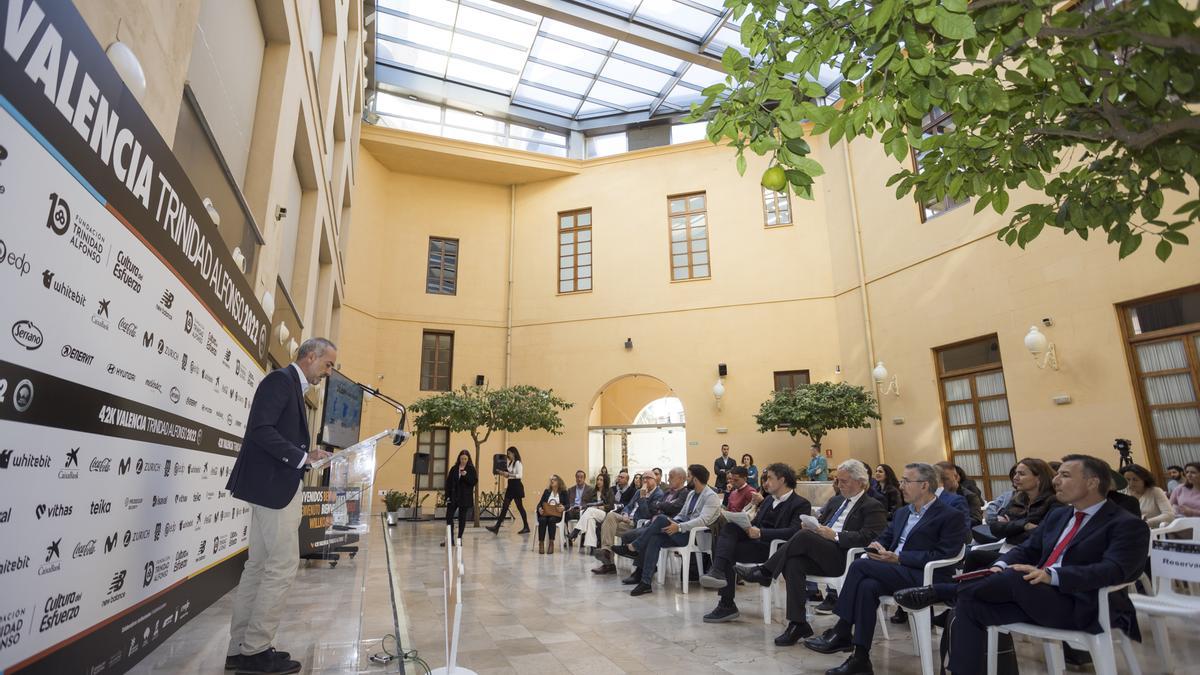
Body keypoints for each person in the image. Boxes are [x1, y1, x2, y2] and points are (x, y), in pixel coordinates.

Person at [895, 455, 1151, 675]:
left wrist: (1052, 575)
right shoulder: (1060, 515)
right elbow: (1026, 549)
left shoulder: (1126, 524)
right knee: (970, 605)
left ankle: (941, 591)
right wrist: (1001, 564)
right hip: (1037, 597)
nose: (1056, 480)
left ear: (1092, 482)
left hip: (1085, 604)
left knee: (1017, 577)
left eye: (1064, 475)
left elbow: (1116, 570)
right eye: (1057, 474)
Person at [225, 338, 336, 675]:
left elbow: (275, 434)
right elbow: (260, 430)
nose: (328, 372)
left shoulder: (291, 387)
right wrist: (301, 457)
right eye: (328, 364)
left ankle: (240, 649)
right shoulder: (280, 381)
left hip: (269, 487)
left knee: (258, 567)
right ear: (311, 356)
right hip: (274, 488)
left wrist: (309, 455)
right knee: (281, 566)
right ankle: (256, 650)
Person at [803, 463, 968, 675]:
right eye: (901, 481)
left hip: (927, 576)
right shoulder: (902, 513)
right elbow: (883, 538)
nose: (901, 486)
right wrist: (876, 548)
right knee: (867, 587)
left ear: (925, 485)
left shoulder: (949, 515)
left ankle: (842, 630)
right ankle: (860, 658)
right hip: (894, 570)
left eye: (907, 481)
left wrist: (899, 558)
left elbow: (944, 555)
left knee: (860, 565)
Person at [737, 460, 888, 643]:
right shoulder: (836, 500)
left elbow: (870, 537)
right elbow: (821, 524)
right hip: (822, 552)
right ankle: (798, 623)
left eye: (844, 481)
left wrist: (836, 535)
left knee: (803, 536)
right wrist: (812, 525)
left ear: (860, 482)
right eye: (837, 480)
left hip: (846, 558)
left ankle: (766, 571)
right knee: (794, 562)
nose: (839, 485)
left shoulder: (872, 505)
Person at [701, 463, 810, 623]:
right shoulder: (767, 501)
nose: (765, 483)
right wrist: (746, 525)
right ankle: (720, 580)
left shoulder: (800, 503)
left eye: (769, 478)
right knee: (729, 529)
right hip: (756, 542)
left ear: (782, 480)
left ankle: (725, 601)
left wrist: (761, 532)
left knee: (726, 550)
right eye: (764, 479)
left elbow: (794, 532)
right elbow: (757, 523)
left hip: (774, 549)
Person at [613, 464, 721, 596]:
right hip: (680, 530)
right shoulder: (692, 494)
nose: (687, 479)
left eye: (689, 476)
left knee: (660, 519)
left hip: (693, 536)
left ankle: (634, 546)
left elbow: (703, 520)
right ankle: (645, 582)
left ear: (696, 479)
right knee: (655, 538)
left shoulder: (711, 496)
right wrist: (674, 523)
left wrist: (679, 526)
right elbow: (682, 514)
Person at [592, 468, 686, 575]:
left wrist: (643, 497)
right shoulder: (638, 492)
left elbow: (647, 514)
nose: (645, 481)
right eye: (643, 478)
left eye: (648, 478)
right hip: (628, 520)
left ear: (655, 480)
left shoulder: (658, 494)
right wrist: (625, 514)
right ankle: (607, 554)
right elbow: (628, 506)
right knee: (610, 517)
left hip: (639, 523)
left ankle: (609, 563)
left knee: (608, 525)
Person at [971, 458, 1062, 563]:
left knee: (976, 560)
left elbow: (1042, 535)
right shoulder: (1018, 499)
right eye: (1015, 473)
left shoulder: (1054, 502)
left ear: (1039, 478)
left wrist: (1010, 526)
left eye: (1021, 474)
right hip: (1008, 551)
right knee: (973, 556)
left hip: (1032, 557)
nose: (1015, 478)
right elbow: (995, 528)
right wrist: (1024, 525)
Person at [487, 446, 530, 534]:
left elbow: (519, 475)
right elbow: (509, 475)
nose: (508, 455)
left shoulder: (518, 463)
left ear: (514, 453)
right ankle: (497, 527)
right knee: (505, 507)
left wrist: (509, 474)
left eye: (509, 453)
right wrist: (503, 473)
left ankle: (526, 526)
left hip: (516, 486)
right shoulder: (511, 463)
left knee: (520, 507)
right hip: (511, 486)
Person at [565, 473, 612, 547]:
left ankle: (575, 532)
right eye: (598, 480)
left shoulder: (609, 491)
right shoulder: (593, 492)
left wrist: (599, 507)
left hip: (604, 514)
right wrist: (592, 506)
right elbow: (587, 503)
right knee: (590, 521)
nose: (598, 481)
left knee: (590, 510)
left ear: (605, 482)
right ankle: (592, 546)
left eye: (601, 480)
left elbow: (611, 506)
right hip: (592, 513)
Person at [442, 450, 477, 546]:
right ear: (459, 458)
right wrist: (447, 496)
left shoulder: (471, 469)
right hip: (453, 496)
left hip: (464, 497)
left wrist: (465, 476)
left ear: (468, 459)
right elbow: (448, 483)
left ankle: (459, 538)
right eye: (462, 458)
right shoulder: (454, 468)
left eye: (465, 459)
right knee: (449, 517)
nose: (463, 460)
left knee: (462, 518)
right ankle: (450, 539)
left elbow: (473, 482)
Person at [936, 461, 984, 525]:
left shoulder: (969, 496)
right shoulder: (932, 496)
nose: (941, 482)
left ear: (956, 478)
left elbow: (976, 521)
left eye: (945, 479)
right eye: (938, 479)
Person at [535, 475, 569, 554]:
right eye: (551, 479)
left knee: (552, 520)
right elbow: (540, 504)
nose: (552, 481)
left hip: (556, 514)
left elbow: (568, 505)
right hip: (546, 513)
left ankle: (551, 543)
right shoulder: (547, 491)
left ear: (559, 482)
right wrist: (539, 509)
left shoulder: (564, 492)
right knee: (542, 520)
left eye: (554, 479)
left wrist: (563, 507)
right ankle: (541, 543)